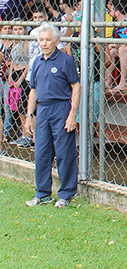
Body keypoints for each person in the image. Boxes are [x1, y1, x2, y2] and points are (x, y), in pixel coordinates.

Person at [23, 22, 81, 208]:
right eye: (41, 40)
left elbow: (76, 86)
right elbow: (32, 90)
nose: (44, 43)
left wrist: (73, 113)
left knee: (64, 152)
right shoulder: (37, 62)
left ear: (56, 40)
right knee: (41, 152)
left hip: (61, 108)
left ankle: (65, 194)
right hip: (43, 110)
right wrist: (29, 115)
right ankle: (42, 193)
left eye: (48, 40)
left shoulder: (65, 60)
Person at [6, 23, 30, 147]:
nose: (18, 31)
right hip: (14, 73)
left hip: (23, 76)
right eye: (15, 29)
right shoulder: (14, 44)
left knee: (24, 106)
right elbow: (12, 62)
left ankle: (28, 135)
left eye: (20, 29)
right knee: (17, 106)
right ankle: (23, 133)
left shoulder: (26, 43)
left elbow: (29, 62)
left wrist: (20, 79)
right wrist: (10, 77)